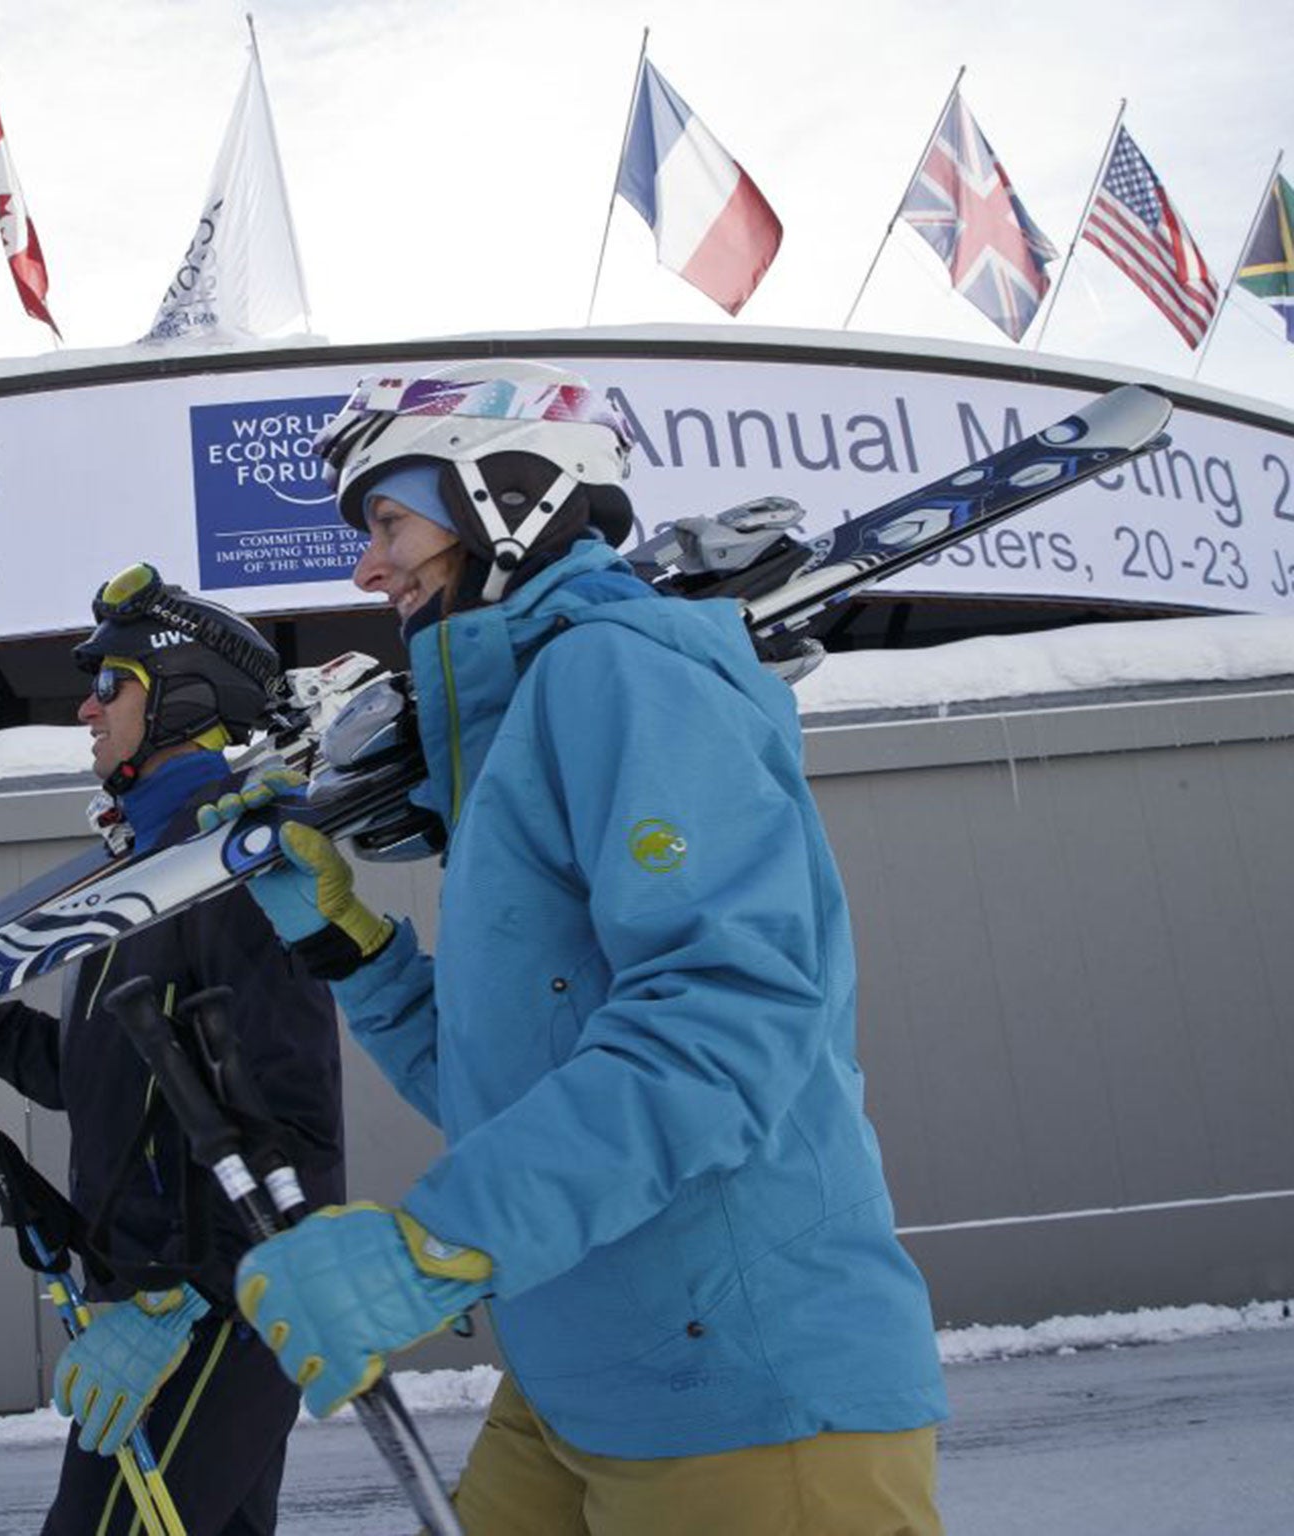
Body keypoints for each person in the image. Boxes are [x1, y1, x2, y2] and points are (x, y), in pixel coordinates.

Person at [208, 362, 949, 1535]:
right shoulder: (520, 726)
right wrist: (351, 947)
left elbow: (722, 1026)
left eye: (388, 520)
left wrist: (437, 1243)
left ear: (502, 494)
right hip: (587, 1363)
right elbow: (496, 1089)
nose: (364, 567)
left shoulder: (625, 671)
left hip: (739, 1381)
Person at [0, 564, 344, 1536]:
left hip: (214, 1318)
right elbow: (98, 1080)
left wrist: (184, 1300)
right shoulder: (134, 886)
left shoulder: (230, 868)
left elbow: (297, 1132)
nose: (84, 706)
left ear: (181, 698)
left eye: (109, 683)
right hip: (145, 1309)